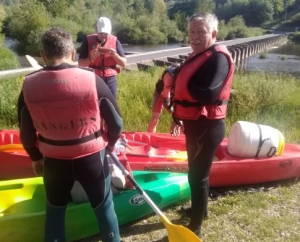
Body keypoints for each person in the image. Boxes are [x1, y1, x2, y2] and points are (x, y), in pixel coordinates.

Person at [17, 27, 123, 242]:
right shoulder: (92, 80)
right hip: (92, 158)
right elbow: (117, 125)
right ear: (73, 54)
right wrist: (109, 146)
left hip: (54, 161)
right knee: (104, 208)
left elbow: (26, 135)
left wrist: (35, 157)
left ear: (43, 55)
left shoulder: (28, 85)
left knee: (55, 211)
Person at [162, 12, 235, 240]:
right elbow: (185, 80)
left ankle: (195, 226)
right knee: (198, 173)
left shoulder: (218, 58)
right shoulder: (198, 55)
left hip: (208, 127)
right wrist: (173, 75)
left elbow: (208, 94)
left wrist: (184, 82)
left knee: (197, 176)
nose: (194, 37)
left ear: (213, 33)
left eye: (200, 32)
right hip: (195, 125)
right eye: (191, 31)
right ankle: (200, 211)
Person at [78, 16, 127, 98]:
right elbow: (81, 64)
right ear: (96, 29)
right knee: (95, 103)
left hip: (110, 79)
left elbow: (124, 63)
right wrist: (91, 58)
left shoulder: (115, 41)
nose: (103, 36)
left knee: (111, 104)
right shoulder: (87, 41)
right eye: (101, 33)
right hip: (94, 77)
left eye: (106, 33)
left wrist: (115, 55)